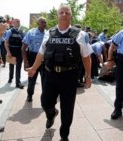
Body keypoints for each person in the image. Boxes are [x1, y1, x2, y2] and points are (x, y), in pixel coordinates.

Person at [27, 4, 92, 141]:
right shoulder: (49, 32)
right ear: (57, 15)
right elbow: (41, 53)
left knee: (67, 108)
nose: (64, 14)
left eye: (67, 12)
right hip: (50, 74)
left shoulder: (80, 34)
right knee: (45, 102)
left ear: (71, 16)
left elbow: (86, 57)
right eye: (61, 12)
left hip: (69, 75)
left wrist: (88, 76)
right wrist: (33, 68)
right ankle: (51, 114)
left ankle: (64, 136)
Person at [21, 17, 47, 102]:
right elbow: (23, 48)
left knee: (45, 80)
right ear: (38, 23)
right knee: (32, 78)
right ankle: (29, 95)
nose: (44, 24)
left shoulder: (48, 34)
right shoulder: (31, 33)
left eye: (45, 22)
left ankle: (45, 97)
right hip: (32, 57)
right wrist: (25, 61)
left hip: (44, 59)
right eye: (42, 22)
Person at [5, 18, 25, 89]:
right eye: (17, 21)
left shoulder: (21, 32)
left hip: (19, 51)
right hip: (12, 50)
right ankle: (10, 78)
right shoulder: (10, 31)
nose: (19, 22)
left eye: (19, 21)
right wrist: (8, 52)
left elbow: (23, 42)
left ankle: (18, 82)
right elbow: (6, 43)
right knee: (11, 66)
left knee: (18, 67)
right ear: (13, 23)